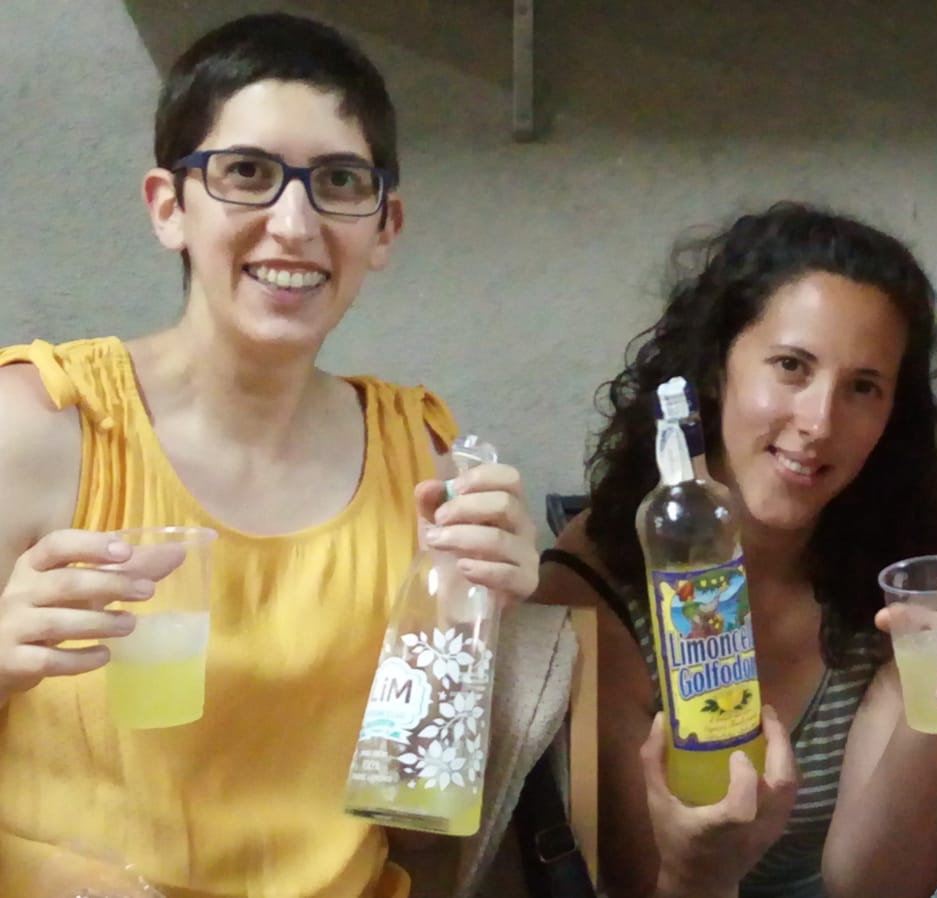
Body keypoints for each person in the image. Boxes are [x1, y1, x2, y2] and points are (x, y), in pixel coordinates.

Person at [0, 14, 572, 898]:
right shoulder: (40, 424)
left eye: (339, 181)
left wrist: (474, 629)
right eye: (246, 173)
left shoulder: (420, 458)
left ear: (384, 227)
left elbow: (416, 810)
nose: (295, 224)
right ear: (169, 206)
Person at [533, 202, 937, 898]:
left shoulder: (920, 555)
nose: (819, 422)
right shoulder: (598, 580)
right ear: (715, 367)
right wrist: (702, 866)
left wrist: (933, 707)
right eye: (791, 366)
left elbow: (875, 888)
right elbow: (643, 882)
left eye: (863, 387)